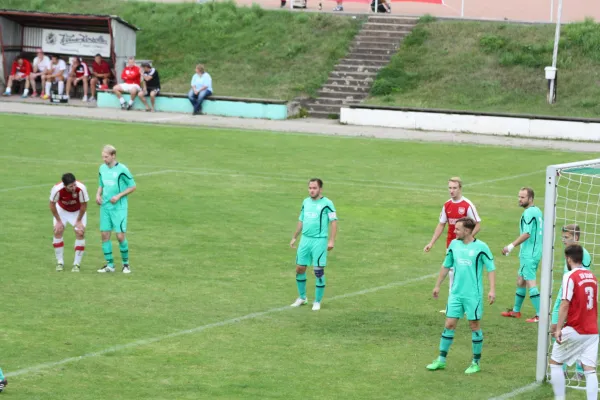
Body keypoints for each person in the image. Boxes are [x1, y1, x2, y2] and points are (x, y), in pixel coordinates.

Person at [426, 217, 496, 374]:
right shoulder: (454, 245)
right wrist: (437, 285)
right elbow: (446, 265)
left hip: (473, 295)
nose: (454, 231)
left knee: (474, 326)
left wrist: (492, 289)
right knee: (449, 324)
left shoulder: (481, 247)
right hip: (456, 294)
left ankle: (475, 362)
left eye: (457, 229)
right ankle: (441, 360)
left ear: (467, 231)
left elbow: (491, 268)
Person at [424, 177, 481, 313]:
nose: (452, 190)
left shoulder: (467, 205)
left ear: (460, 188)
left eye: (454, 188)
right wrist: (431, 243)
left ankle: (468, 306)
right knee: (451, 274)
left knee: (464, 274)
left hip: (465, 246)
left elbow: (477, 223)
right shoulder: (447, 205)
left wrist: (469, 238)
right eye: (449, 188)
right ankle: (453, 306)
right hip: (451, 245)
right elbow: (441, 224)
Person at [549, 244, 598, 400]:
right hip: (592, 331)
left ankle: (560, 398)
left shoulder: (570, 276)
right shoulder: (592, 277)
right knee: (590, 370)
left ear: (568, 259)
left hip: (576, 328)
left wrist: (558, 329)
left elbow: (565, 303)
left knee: (555, 362)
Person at [289, 178, 338, 311]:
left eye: (314, 188)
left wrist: (331, 240)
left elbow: (333, 222)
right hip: (305, 240)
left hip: (319, 240)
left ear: (320, 189)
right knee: (299, 268)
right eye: (310, 188)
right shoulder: (305, 202)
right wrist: (294, 237)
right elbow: (301, 220)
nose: (312, 190)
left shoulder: (327, 203)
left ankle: (317, 301)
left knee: (318, 271)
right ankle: (302, 298)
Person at [551, 224, 592, 378]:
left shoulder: (583, 254)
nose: (563, 240)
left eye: (566, 237)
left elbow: (583, 279)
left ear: (576, 237)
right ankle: (561, 368)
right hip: (563, 296)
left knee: (575, 333)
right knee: (556, 330)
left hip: (574, 300)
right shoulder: (568, 253)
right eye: (563, 237)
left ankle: (580, 370)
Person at [501, 187, 544, 322]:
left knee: (531, 282)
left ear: (530, 199)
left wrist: (510, 246)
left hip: (529, 254)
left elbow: (527, 233)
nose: (519, 200)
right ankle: (516, 311)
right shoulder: (537, 210)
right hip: (535, 251)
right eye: (519, 197)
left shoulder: (528, 213)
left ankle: (540, 315)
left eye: (522, 197)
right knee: (520, 280)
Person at [96, 145, 136, 274]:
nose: (104, 159)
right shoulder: (102, 168)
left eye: (106, 157)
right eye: (103, 156)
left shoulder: (122, 169)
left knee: (120, 237)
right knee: (104, 235)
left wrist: (118, 196)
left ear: (113, 156)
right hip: (105, 207)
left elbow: (132, 186)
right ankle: (110, 265)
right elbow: (101, 184)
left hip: (119, 208)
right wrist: (98, 195)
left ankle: (126, 264)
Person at [49, 173, 89, 272]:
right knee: (58, 231)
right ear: (64, 185)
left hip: (77, 211)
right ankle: (60, 262)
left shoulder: (81, 188)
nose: (73, 187)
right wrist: (58, 221)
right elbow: (52, 205)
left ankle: (76, 264)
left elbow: (84, 205)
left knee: (80, 232)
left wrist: (79, 220)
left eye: (74, 184)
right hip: (62, 210)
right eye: (71, 186)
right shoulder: (57, 189)